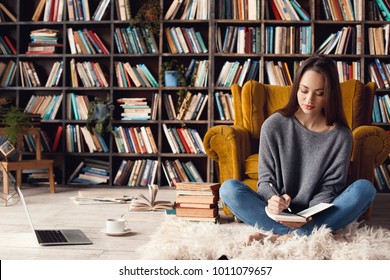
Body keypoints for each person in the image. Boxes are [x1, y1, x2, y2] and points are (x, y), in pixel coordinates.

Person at [219, 55, 376, 243]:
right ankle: (311, 234)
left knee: (365, 189)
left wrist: (310, 215)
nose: (309, 99)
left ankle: (281, 236)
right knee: (229, 189)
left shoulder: (341, 136)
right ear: (296, 88)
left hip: (317, 213)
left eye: (319, 93)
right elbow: (266, 180)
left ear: (330, 94)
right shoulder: (273, 125)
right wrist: (273, 200)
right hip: (277, 213)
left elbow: (330, 187)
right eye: (304, 90)